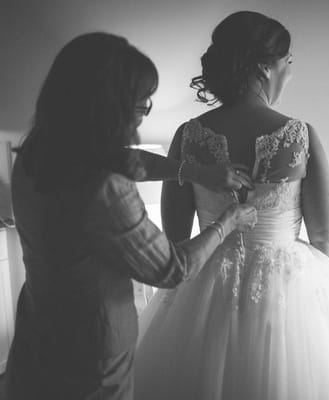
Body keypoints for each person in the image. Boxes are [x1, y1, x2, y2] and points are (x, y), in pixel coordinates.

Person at [134, 11, 329, 400]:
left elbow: (175, 237)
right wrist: (322, 305)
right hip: (287, 296)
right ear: (264, 66)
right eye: (288, 61)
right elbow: (325, 238)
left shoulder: (188, 137)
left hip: (201, 292)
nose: (290, 71)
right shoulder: (300, 135)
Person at [5, 32, 257, 400]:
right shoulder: (106, 187)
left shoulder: (34, 157)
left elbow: (128, 158)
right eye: (140, 107)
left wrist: (194, 172)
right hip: (93, 348)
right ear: (110, 108)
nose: (140, 120)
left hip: (38, 328)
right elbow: (171, 269)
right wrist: (228, 221)